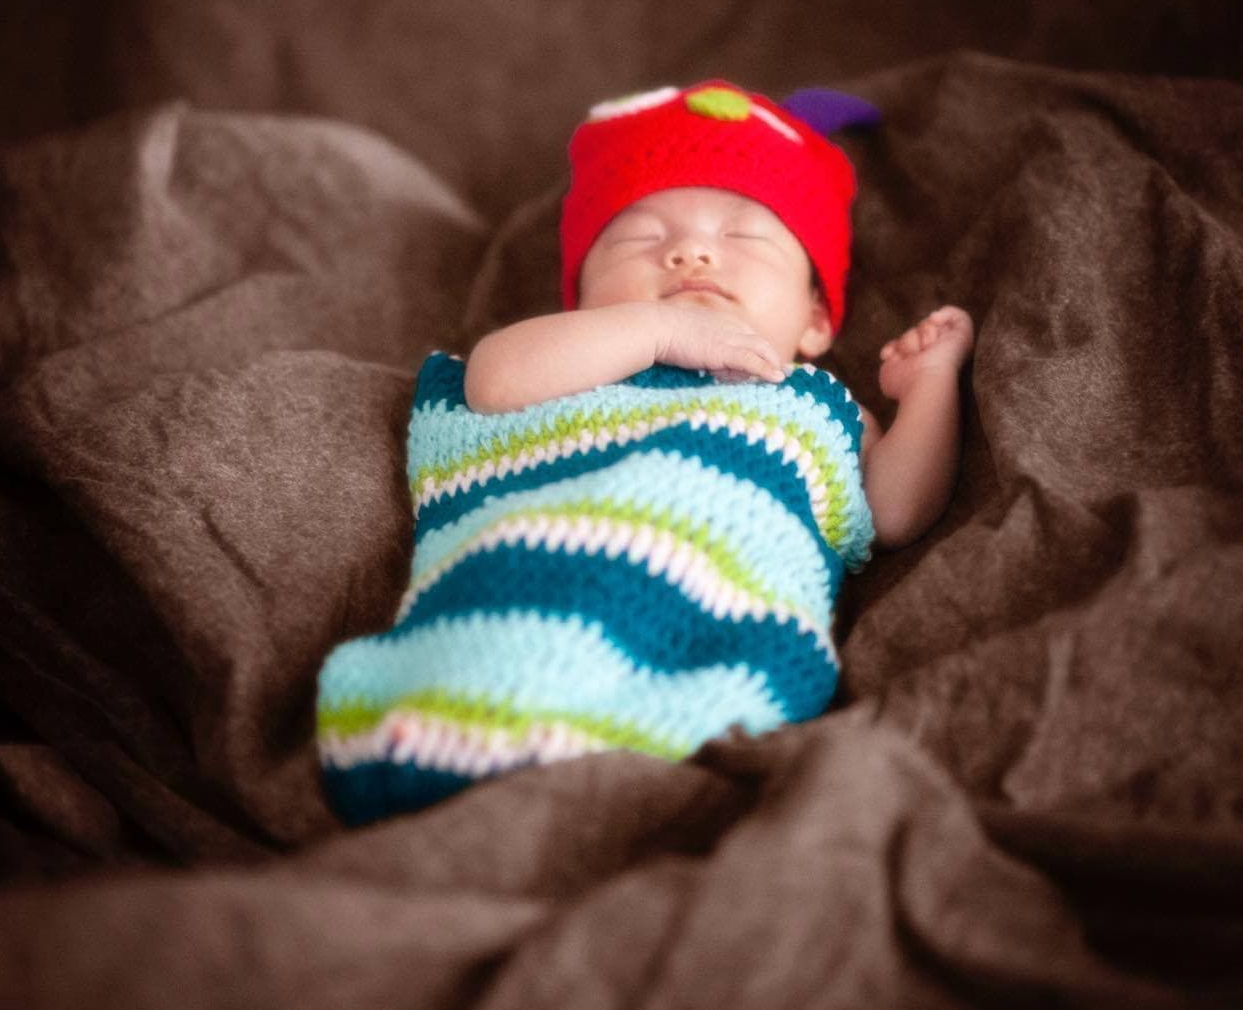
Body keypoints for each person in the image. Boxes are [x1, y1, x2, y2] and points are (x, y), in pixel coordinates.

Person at [317, 80, 974, 824]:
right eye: (640, 238)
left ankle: (602, 770)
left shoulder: (816, 405)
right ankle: (473, 725)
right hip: (524, 591)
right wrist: (656, 334)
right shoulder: (566, 364)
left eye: (745, 236)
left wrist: (930, 387)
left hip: (713, 649)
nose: (691, 252)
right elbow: (491, 384)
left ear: (816, 319)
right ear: (581, 300)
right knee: (502, 678)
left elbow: (895, 510)